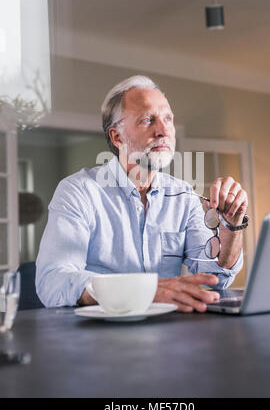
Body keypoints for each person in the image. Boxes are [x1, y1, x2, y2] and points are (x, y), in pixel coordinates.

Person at [36, 75, 248, 312]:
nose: (163, 130)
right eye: (148, 120)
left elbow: (214, 277)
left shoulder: (183, 195)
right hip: (100, 340)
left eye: (168, 118)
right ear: (117, 137)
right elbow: (52, 283)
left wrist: (231, 227)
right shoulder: (79, 191)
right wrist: (144, 291)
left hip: (171, 335)